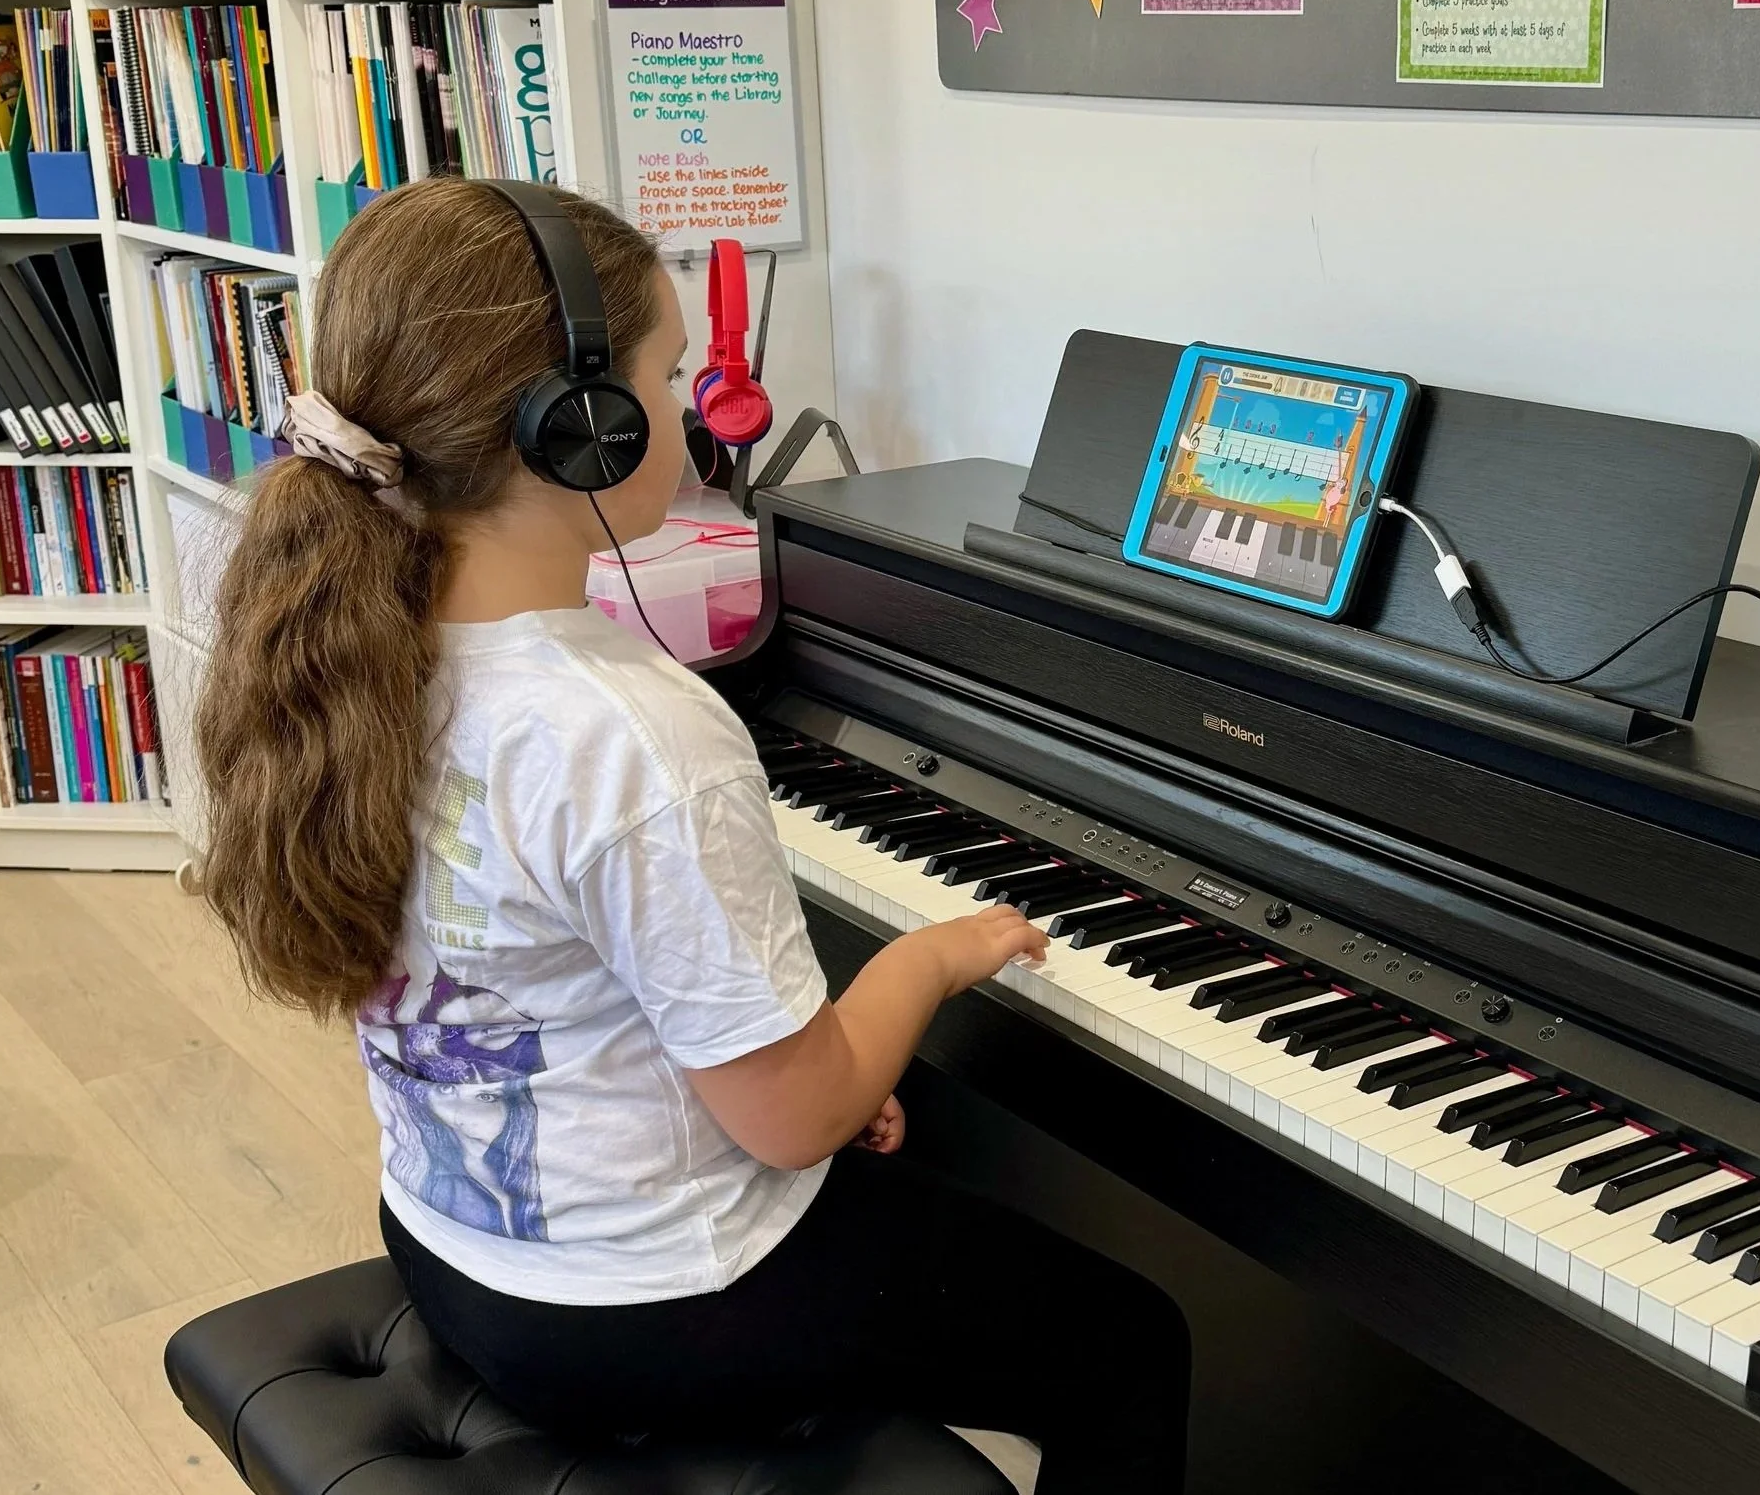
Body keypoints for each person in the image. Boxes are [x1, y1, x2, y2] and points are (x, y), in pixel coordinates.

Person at [194, 178, 1190, 1493]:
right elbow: (797, 1118)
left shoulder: (347, 660)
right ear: (577, 433)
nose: (684, 411)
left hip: (457, 1243)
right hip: (634, 1313)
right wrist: (931, 960)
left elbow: (569, 1001)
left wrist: (810, 1078)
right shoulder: (627, 728)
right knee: (1131, 1339)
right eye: (671, 376)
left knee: (910, 1142)